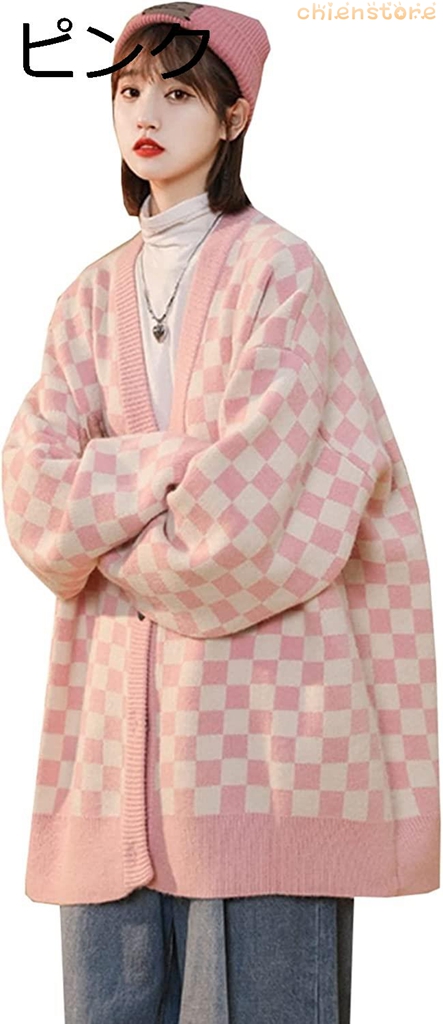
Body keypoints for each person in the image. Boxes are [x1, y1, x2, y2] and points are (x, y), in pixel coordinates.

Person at [1, 5, 439, 1023]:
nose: (144, 114)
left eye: (176, 92)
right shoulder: (86, 299)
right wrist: (169, 462)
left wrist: (102, 522)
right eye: (127, 90)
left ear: (234, 115)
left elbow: (240, 528)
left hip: (263, 744)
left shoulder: (281, 274)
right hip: (109, 747)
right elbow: (30, 499)